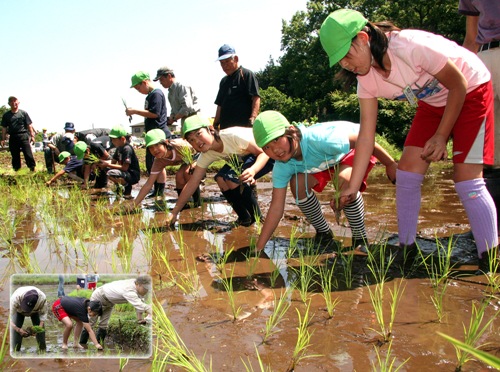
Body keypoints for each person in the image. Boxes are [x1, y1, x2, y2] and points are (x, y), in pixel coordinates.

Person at [319, 9, 498, 270]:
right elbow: (366, 136)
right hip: (433, 104)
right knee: (406, 175)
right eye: (340, 61)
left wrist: (440, 136)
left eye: (347, 54)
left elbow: (458, 84)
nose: (346, 64)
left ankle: (490, 259)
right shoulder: (366, 81)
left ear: (363, 37)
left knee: (467, 180)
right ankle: (407, 248)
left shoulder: (410, 47)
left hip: (471, 90)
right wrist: (352, 187)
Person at [252, 110, 397, 252]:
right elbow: (276, 207)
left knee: (344, 186)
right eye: (267, 147)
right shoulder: (282, 166)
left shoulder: (321, 139)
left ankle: (360, 238)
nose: (275, 150)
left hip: (350, 151)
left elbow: (364, 141)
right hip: (322, 162)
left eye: (277, 139)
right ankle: (324, 233)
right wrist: (259, 247)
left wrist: (389, 164)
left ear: (291, 131)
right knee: (297, 184)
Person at [166, 114, 274, 227]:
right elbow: (193, 182)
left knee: (231, 178)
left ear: (211, 129)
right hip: (245, 158)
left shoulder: (232, 136)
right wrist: (174, 212)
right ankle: (244, 218)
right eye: (192, 140)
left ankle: (258, 218)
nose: (197, 141)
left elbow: (263, 152)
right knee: (220, 178)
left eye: (199, 134)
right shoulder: (207, 154)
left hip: (267, 153)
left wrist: (253, 170)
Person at [459, 1, 500, 237]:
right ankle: (489, 228)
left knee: (492, 154)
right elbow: (470, 38)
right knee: (490, 155)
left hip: (483, 58)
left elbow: (470, 38)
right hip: (483, 62)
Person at [131, 128, 200, 208]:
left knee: (187, 172)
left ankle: (197, 203)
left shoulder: (180, 146)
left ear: (166, 142)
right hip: (186, 161)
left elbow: (199, 150)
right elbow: (148, 184)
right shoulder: (158, 161)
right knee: (179, 176)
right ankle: (183, 204)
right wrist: (134, 204)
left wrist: (197, 167)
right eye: (151, 147)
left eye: (157, 145)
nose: (154, 150)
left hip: (197, 156)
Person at [126, 71, 170, 197]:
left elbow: (155, 114)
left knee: (158, 163)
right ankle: (157, 190)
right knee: (153, 164)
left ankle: (159, 191)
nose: (138, 90)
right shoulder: (150, 95)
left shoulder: (156, 94)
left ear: (145, 82)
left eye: (138, 87)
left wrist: (135, 111)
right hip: (153, 135)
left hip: (158, 134)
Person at [79, 275, 152, 345]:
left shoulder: (136, 286)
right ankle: (82, 344)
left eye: (147, 289)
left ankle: (99, 345)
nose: (146, 291)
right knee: (91, 322)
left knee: (104, 324)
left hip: (110, 302)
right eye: (145, 288)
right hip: (99, 297)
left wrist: (140, 319)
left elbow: (140, 303)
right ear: (138, 284)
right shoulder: (129, 290)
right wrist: (154, 312)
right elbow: (140, 305)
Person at [213, 44, 260, 130]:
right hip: (226, 129)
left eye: (227, 61)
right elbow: (220, 105)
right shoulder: (223, 81)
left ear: (236, 59)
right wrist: (215, 124)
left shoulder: (246, 74)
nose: (224, 66)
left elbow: (256, 97)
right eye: (222, 63)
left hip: (244, 128)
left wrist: (253, 118)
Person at [153, 66, 200, 133]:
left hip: (194, 120)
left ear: (169, 76)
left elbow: (186, 108)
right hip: (186, 121)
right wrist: (171, 117)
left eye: (161, 80)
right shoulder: (170, 92)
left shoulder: (182, 86)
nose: (160, 83)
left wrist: (174, 118)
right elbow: (174, 109)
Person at [1, 96, 37, 172]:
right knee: (15, 155)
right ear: (9, 104)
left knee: (28, 153)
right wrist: (3, 139)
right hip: (13, 137)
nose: (13, 103)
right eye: (11, 101)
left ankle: (32, 168)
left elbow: (29, 125)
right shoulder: (6, 115)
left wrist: (32, 136)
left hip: (23, 135)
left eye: (15, 101)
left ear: (18, 103)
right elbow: (4, 128)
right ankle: (17, 170)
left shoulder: (23, 113)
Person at [105, 125, 141, 199]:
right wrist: (104, 163)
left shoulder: (127, 149)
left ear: (122, 139)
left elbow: (124, 168)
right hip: (125, 173)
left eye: (114, 139)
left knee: (111, 172)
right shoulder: (118, 149)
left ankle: (127, 187)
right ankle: (120, 188)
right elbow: (113, 162)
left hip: (132, 174)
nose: (112, 141)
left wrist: (108, 164)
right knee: (107, 170)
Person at [10, 286, 47, 352]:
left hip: (35, 311)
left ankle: (42, 350)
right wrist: (17, 329)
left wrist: (39, 327)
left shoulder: (42, 298)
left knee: (41, 330)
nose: (27, 311)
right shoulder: (15, 298)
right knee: (15, 330)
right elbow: (8, 319)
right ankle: (16, 350)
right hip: (19, 311)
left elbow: (43, 314)